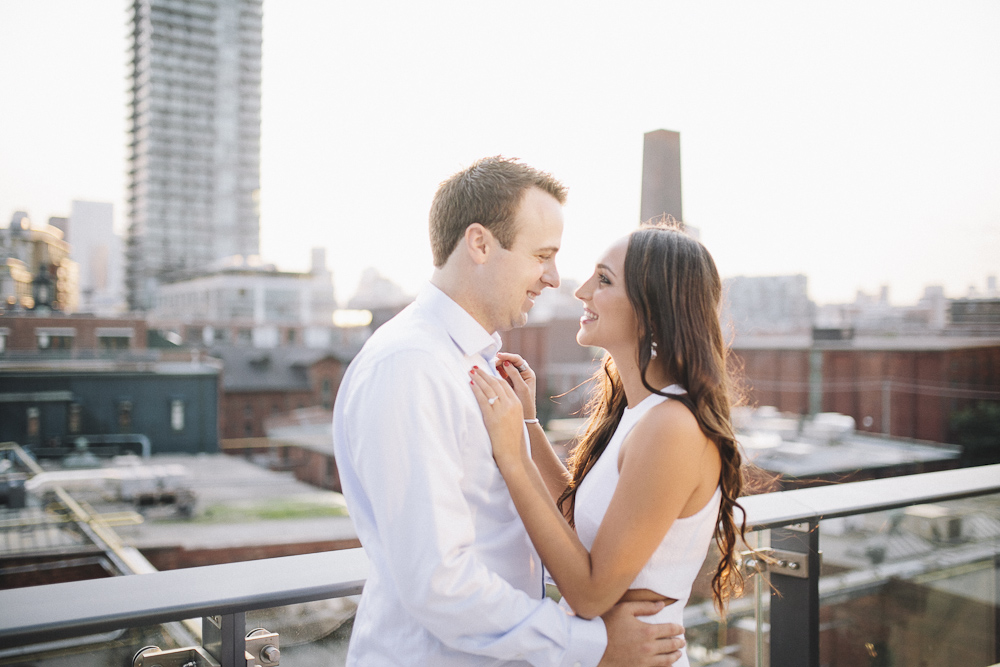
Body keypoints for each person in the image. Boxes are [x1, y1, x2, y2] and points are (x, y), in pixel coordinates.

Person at [333, 157, 687, 666]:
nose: (554, 278)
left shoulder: (470, 365)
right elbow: (439, 581)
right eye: (542, 255)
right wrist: (593, 646)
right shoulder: (412, 368)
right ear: (479, 244)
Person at [469, 221, 747, 667]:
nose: (580, 291)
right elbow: (576, 522)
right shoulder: (641, 414)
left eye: (603, 280)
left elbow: (591, 594)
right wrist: (527, 422)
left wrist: (513, 455)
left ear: (652, 309)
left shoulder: (671, 427)